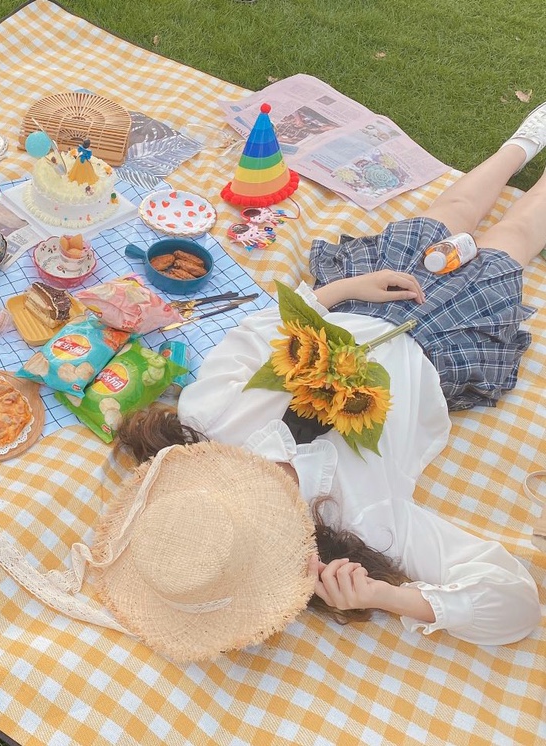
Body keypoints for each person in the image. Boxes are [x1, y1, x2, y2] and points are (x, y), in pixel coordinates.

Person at [116, 103, 546, 646]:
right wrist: (386, 597)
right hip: (442, 344)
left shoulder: (212, 419)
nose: (267, 487)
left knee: (454, 208)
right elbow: (514, 604)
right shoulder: (370, 522)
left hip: (362, 300)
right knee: (514, 239)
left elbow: (257, 332)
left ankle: (523, 144)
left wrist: (343, 291)